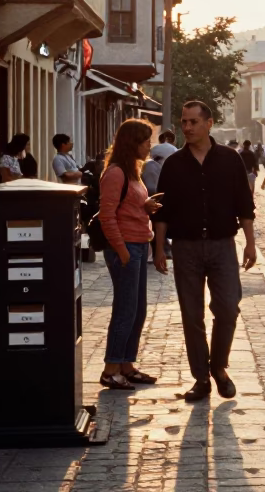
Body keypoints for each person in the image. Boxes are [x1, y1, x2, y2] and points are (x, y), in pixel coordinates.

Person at [153, 101, 256, 402]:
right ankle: (202, 378)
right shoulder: (173, 164)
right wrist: (160, 248)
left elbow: (244, 204)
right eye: (184, 122)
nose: (187, 127)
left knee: (227, 307)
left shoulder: (229, 159)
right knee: (191, 314)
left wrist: (250, 243)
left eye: (194, 122)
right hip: (185, 247)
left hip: (223, 245)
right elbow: (161, 211)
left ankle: (219, 367)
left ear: (209, 123)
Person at [98, 119, 162, 391]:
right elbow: (107, 215)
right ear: (131, 143)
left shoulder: (132, 171)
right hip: (124, 248)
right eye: (145, 141)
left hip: (138, 245)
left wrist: (145, 206)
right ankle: (111, 368)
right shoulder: (115, 173)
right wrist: (122, 251)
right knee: (125, 309)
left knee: (137, 309)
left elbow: (126, 207)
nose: (149, 146)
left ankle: (126, 364)